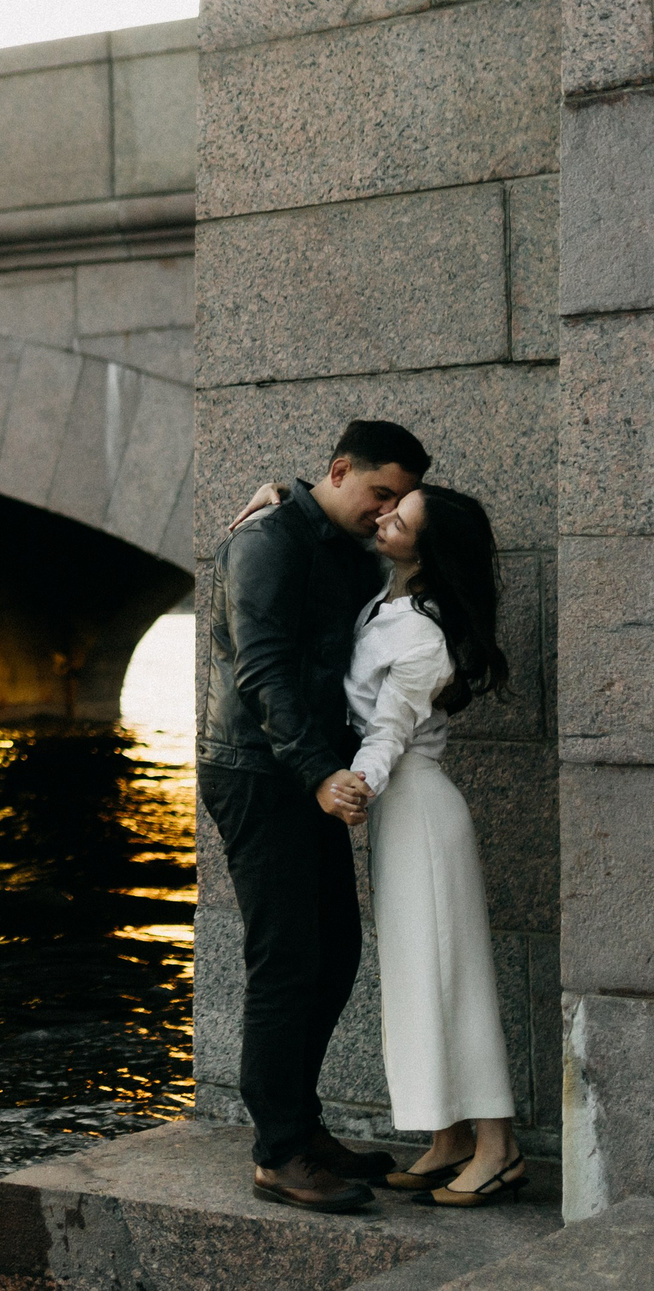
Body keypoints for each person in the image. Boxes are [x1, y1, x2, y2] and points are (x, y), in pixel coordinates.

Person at [201, 420, 429, 1212]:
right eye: (380, 494)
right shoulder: (269, 541)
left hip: (307, 773)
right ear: (339, 470)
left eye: (398, 501)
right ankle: (278, 1154)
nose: (386, 511)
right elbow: (262, 670)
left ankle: (303, 1125)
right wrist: (320, 773)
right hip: (260, 772)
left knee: (334, 952)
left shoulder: (334, 538)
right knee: (286, 960)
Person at [319, 483, 524, 1207]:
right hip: (403, 815)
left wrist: (353, 786)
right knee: (417, 977)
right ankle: (449, 1136)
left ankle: (498, 1145)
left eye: (398, 518)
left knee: (452, 976)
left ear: (426, 548)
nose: (382, 518)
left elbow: (390, 729)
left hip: (420, 810)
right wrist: (272, 499)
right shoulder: (390, 601)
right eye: (387, 507)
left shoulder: (423, 635)